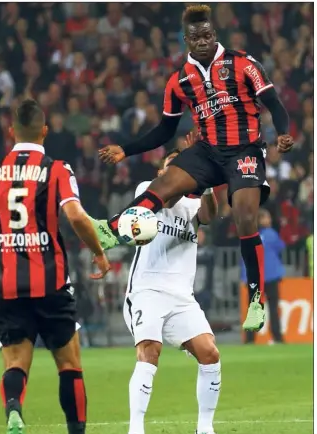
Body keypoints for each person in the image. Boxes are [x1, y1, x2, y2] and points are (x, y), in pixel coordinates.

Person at [97, 4, 294, 332]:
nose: (202, 41)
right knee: (159, 187)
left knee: (245, 215)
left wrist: (284, 134)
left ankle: (256, 299)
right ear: (186, 41)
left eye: (206, 35)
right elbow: (164, 130)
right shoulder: (178, 81)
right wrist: (126, 151)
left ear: (214, 35)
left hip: (244, 150)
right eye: (195, 37)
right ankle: (110, 230)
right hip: (206, 151)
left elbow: (273, 102)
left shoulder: (243, 64)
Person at [0, 99, 111, 434]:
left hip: (7, 285)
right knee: (69, 365)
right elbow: (74, 216)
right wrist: (98, 253)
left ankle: (14, 408)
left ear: (11, 132)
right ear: (44, 130)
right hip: (51, 282)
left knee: (15, 364)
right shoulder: (56, 169)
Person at [123, 150, 222, 434]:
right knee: (150, 351)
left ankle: (204, 432)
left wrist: (203, 183)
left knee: (210, 353)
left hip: (181, 296)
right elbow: (161, 201)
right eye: (174, 167)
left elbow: (210, 215)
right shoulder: (147, 191)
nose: (180, 172)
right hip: (147, 291)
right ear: (162, 171)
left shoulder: (194, 205)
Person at [241, 209, 285, 344]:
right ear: (259, 220)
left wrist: (244, 277)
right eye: (266, 218)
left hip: (256, 278)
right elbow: (281, 247)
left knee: (254, 310)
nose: (268, 220)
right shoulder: (272, 234)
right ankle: (277, 338)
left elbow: (245, 257)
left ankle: (249, 340)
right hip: (271, 276)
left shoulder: (250, 236)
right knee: (272, 308)